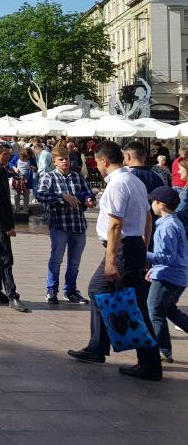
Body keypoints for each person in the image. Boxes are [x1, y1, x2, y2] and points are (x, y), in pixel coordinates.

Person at [68, 140, 162, 380]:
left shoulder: (117, 184)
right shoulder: (136, 181)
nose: (97, 166)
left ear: (103, 161)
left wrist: (111, 261)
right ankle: (104, 348)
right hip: (133, 246)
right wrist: (143, 247)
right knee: (129, 299)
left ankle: (104, 349)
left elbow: (116, 224)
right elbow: (148, 219)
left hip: (121, 248)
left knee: (101, 289)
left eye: (97, 162)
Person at [34, 145, 94, 305]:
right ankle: (51, 290)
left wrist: (89, 199)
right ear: (54, 162)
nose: (65, 162)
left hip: (78, 225)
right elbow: (40, 195)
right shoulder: (49, 177)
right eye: (61, 160)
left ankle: (71, 290)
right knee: (56, 259)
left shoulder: (77, 176)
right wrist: (62, 197)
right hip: (60, 225)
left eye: (66, 159)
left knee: (74, 262)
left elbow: (88, 192)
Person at [0, 141, 31, 312]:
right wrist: (7, 226)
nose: (9, 158)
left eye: (9, 155)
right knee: (5, 258)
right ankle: (12, 296)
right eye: (5, 155)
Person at [144, 186, 188, 363]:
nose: (151, 205)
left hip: (168, 277)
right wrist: (154, 269)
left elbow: (167, 257)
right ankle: (163, 349)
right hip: (176, 276)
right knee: (169, 310)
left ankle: (162, 350)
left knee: (154, 309)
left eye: (153, 201)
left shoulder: (167, 226)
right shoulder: (172, 222)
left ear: (161, 204)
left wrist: (142, 253)